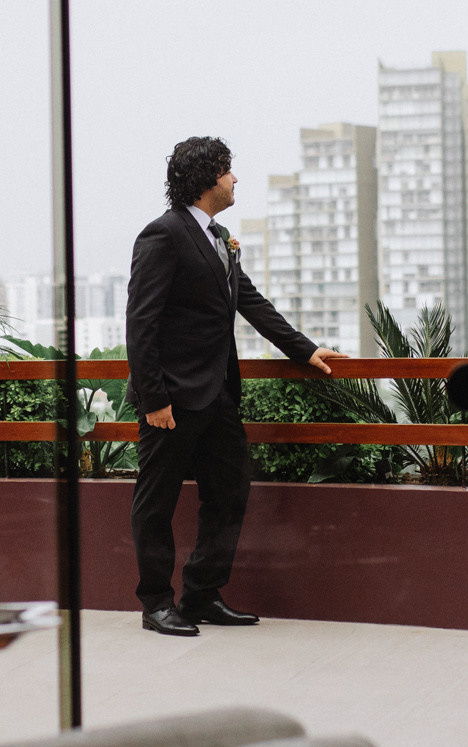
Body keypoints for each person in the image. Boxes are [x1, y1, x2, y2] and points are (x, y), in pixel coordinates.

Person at [124, 136, 346, 636]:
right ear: (207, 178)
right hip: (173, 401)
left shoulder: (219, 236)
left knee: (229, 490)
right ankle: (157, 602)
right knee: (155, 502)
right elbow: (141, 322)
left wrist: (305, 350)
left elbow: (250, 301)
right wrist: (154, 397)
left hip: (218, 394)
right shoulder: (162, 235)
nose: (235, 179)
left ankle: (202, 593)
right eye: (228, 170)